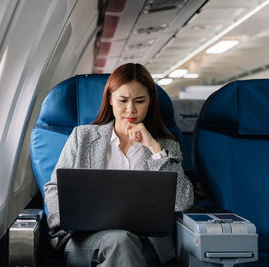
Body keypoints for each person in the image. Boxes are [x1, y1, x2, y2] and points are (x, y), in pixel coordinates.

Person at [44, 63, 194, 266]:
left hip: (145, 243)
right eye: (123, 100)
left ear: (150, 102)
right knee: (119, 241)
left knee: (122, 243)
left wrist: (153, 148)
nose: (131, 109)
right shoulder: (83, 137)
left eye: (140, 101)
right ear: (110, 100)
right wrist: (70, 222)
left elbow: (183, 202)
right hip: (85, 239)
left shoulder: (165, 146)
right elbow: (54, 188)